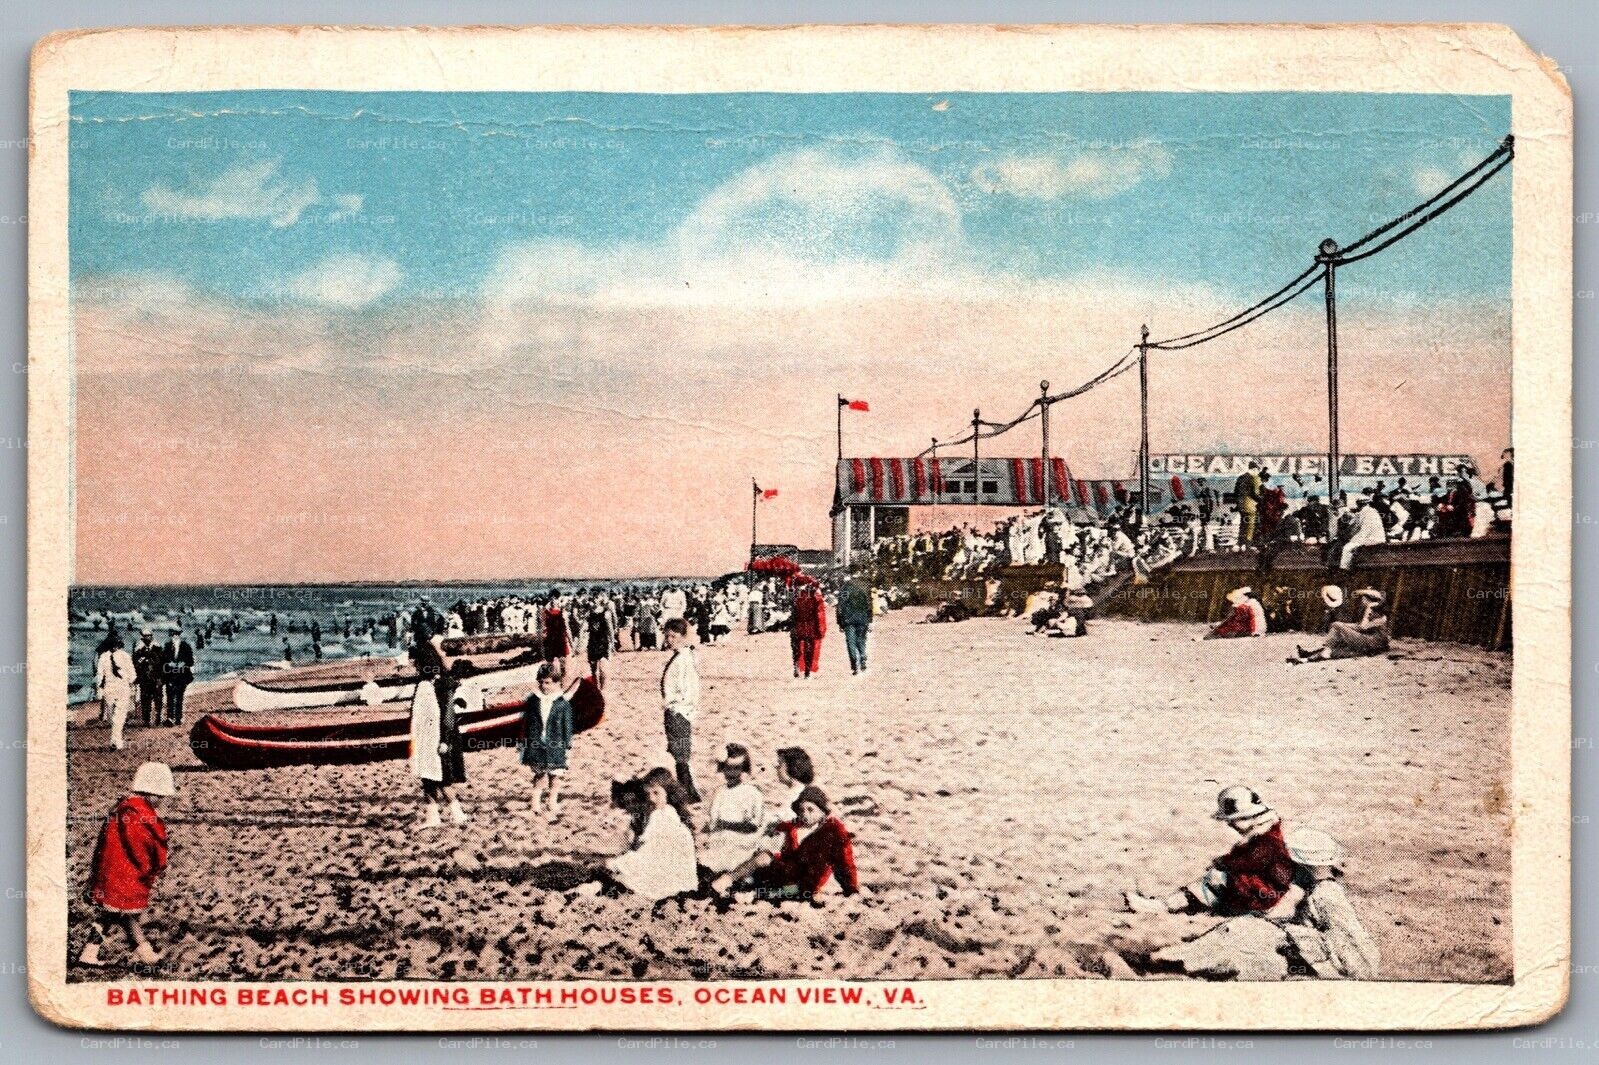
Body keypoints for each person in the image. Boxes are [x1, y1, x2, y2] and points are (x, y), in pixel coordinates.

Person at [1125, 785, 1294, 916]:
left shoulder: (1268, 840)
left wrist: (1225, 863)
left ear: (1247, 818)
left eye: (1233, 820)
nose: (1230, 824)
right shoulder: (1265, 834)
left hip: (1265, 894)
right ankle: (1171, 904)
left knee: (1214, 881)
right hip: (1265, 889)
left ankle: (1164, 906)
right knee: (1213, 881)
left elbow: (1251, 860)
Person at [78, 761, 174, 968]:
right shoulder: (140, 815)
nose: (161, 801)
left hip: (112, 870)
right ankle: (146, 955)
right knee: (128, 916)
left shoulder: (122, 809)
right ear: (151, 793)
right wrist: (153, 867)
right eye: (160, 797)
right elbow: (145, 847)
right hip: (128, 874)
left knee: (111, 915)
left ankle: (89, 952)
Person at [710, 785, 859, 900]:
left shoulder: (833, 830)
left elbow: (845, 861)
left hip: (804, 885)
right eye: (801, 810)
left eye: (810, 809)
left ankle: (753, 894)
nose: (805, 814)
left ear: (823, 811)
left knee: (771, 892)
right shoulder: (796, 826)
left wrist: (850, 888)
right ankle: (729, 879)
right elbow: (785, 847)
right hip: (786, 873)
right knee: (764, 857)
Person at [597, 767, 699, 901]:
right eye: (648, 794)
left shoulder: (663, 818)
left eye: (656, 793)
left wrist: (615, 864)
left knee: (611, 876)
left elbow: (647, 856)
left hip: (670, 886)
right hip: (684, 883)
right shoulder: (668, 814)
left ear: (668, 793)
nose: (651, 798)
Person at [408, 617, 468, 828]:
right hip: (431, 737)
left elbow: (445, 716)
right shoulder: (433, 686)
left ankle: (455, 814)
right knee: (432, 778)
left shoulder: (434, 688)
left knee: (438, 777)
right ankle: (439, 816)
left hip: (436, 738)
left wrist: (443, 739)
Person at [520, 663, 582, 821]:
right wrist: (524, 741)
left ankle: (552, 801)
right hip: (537, 743)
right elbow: (526, 723)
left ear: (556, 683)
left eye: (547, 683)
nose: (543, 686)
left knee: (555, 775)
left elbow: (567, 726)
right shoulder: (533, 701)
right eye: (541, 682)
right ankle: (535, 802)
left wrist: (567, 744)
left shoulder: (562, 703)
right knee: (539, 775)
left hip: (556, 744)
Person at [698, 744, 769, 875]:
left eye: (736, 768)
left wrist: (725, 824)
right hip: (718, 845)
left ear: (744, 769)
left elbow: (754, 825)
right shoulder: (719, 793)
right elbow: (713, 823)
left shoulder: (752, 793)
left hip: (741, 847)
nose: (731, 773)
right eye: (727, 768)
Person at [660, 617, 702, 803]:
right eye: (667, 636)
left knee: (680, 752)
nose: (670, 640)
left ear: (684, 636)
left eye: (674, 636)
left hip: (679, 711)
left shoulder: (684, 659)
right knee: (678, 751)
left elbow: (690, 688)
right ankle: (687, 790)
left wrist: (678, 706)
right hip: (676, 710)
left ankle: (688, 792)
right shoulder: (681, 656)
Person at [1293, 588, 1391, 663]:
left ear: (1367, 600)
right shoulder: (1374, 612)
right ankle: (1311, 655)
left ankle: (1321, 653)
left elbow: (1363, 627)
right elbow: (1359, 627)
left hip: (1374, 643)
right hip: (1370, 641)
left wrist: (1367, 611)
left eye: (1363, 598)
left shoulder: (1378, 614)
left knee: (1337, 627)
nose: (1362, 601)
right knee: (1337, 636)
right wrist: (1344, 626)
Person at [95, 633, 136, 751]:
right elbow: (132, 674)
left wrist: (99, 689)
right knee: (118, 716)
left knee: (114, 716)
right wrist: (130, 682)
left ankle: (115, 740)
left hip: (111, 689)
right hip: (120, 688)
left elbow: (99, 675)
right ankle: (116, 739)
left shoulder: (103, 656)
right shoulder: (124, 656)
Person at [1337, 496, 1388, 569]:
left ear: (1360, 504)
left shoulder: (1367, 513)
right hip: (1373, 537)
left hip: (1373, 538)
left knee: (1347, 548)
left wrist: (1351, 539)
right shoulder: (1368, 512)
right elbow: (1355, 526)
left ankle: (1344, 570)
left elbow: (1364, 531)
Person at [836, 576, 873, 676]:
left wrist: (839, 622)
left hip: (848, 619)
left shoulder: (844, 588)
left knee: (851, 642)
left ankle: (854, 664)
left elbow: (840, 606)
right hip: (862, 618)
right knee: (861, 640)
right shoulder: (865, 586)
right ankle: (863, 657)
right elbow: (869, 605)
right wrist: (870, 620)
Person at [159, 625, 194, 727]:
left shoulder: (186, 646)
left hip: (182, 675)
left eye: (173, 634)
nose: (172, 636)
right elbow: (163, 660)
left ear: (177, 634)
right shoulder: (167, 646)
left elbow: (190, 661)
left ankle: (178, 718)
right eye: (172, 634)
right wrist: (169, 663)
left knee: (179, 697)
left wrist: (183, 663)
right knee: (170, 696)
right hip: (170, 675)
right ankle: (170, 717)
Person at [790, 580, 827, 679]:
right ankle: (807, 672)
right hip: (810, 626)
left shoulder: (795, 596)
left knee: (796, 649)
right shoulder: (815, 597)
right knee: (809, 649)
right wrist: (820, 629)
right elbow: (819, 615)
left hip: (797, 625)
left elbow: (792, 612)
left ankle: (796, 665)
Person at [131, 628, 163, 728]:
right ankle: (146, 719)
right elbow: (135, 664)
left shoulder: (157, 648)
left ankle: (158, 718)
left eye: (148, 636)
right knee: (145, 700)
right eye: (145, 636)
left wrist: (161, 678)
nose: (147, 638)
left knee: (158, 699)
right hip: (144, 679)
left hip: (156, 678)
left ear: (151, 637)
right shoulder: (139, 650)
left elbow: (162, 664)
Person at [1232, 462, 1263, 547]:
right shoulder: (1253, 478)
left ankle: (1239, 544)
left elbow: (1235, 492)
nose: (1257, 472)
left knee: (1243, 524)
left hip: (1241, 506)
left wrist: (1238, 503)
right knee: (1250, 525)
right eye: (1257, 470)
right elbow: (1254, 494)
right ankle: (1247, 545)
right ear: (1254, 469)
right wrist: (1262, 500)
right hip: (1250, 505)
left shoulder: (1240, 478)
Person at [585, 604, 615, 691]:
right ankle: (595, 688)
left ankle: (602, 690)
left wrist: (612, 642)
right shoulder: (589, 613)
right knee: (593, 669)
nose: (595, 598)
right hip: (592, 643)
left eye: (597, 596)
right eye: (593, 595)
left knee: (602, 669)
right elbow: (583, 626)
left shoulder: (606, 613)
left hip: (603, 642)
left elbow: (610, 629)